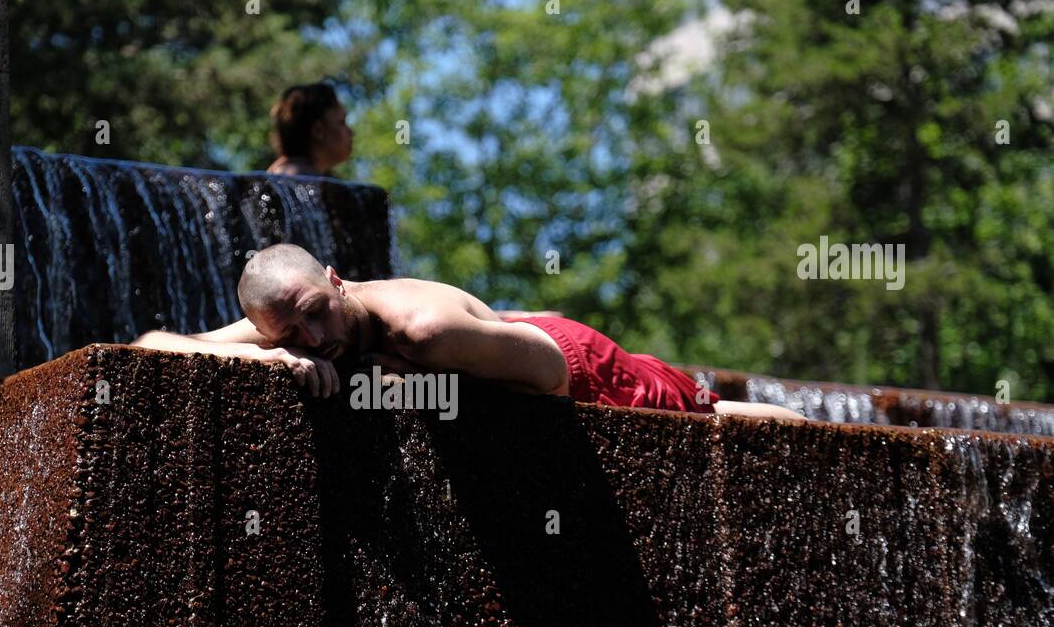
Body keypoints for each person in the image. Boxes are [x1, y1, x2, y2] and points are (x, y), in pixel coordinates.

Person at [132, 244, 804, 420]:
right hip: (519, 345)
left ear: (336, 280)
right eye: (288, 332)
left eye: (316, 310)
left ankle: (804, 426)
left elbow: (547, 377)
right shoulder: (294, 334)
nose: (313, 337)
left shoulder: (422, 331)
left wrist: (402, 382)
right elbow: (150, 348)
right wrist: (270, 365)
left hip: (576, 366)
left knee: (719, 421)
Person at [265, 83, 354, 177]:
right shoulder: (304, 180)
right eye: (341, 122)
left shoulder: (277, 175)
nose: (351, 132)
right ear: (318, 130)